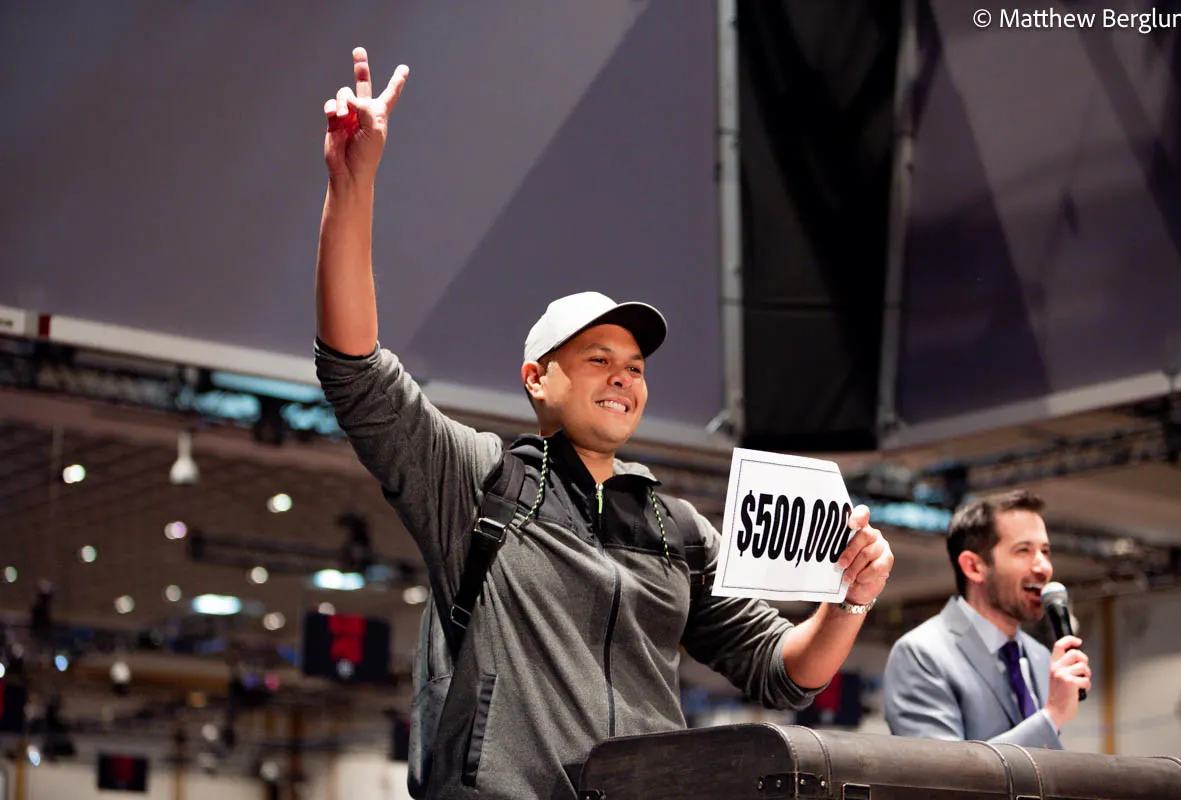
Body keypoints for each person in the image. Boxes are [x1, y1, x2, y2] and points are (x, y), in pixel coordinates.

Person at [314, 48, 895, 800]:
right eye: (597, 359)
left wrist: (849, 600)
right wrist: (352, 184)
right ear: (537, 378)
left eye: (635, 366)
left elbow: (783, 671)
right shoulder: (478, 482)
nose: (624, 376)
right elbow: (356, 370)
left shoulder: (677, 530)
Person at [882, 490, 1091, 748]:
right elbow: (943, 769)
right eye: (1024, 550)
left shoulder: (1039, 656)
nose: (1043, 567)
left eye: (1045, 551)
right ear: (973, 566)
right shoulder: (921, 654)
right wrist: (1052, 715)